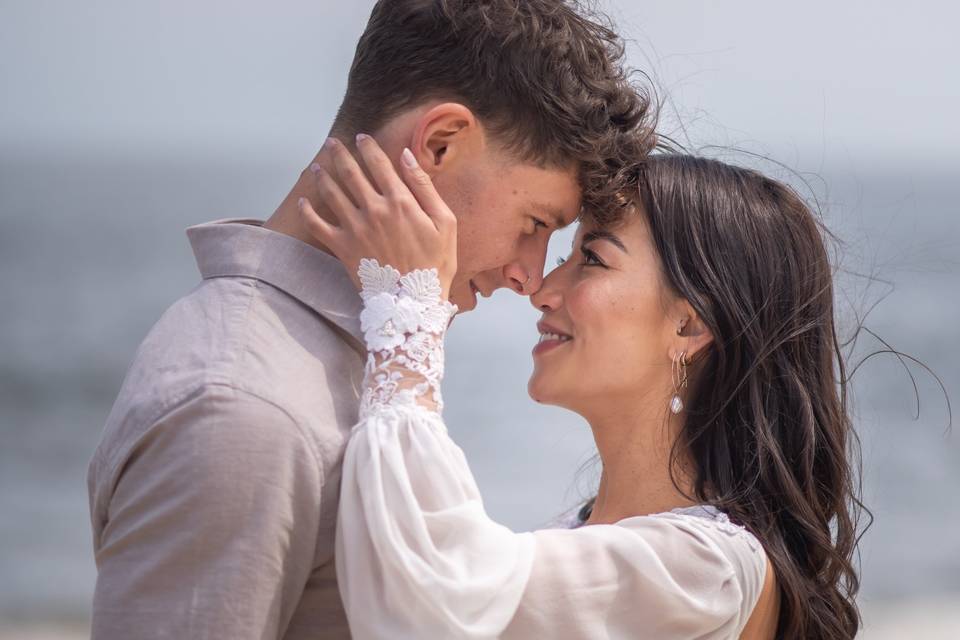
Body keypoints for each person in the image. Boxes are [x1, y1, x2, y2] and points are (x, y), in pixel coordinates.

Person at [86, 1, 652, 638]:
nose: (528, 276)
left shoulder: (343, 360)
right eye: (536, 224)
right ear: (440, 144)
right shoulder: (242, 406)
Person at [298, 136, 864, 639]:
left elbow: (429, 600)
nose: (541, 289)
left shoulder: (706, 571)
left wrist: (407, 311)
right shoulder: (581, 534)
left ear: (689, 325)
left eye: (591, 259)